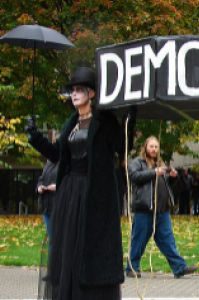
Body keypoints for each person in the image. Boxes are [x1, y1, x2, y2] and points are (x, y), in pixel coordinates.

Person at [25, 67, 135, 300]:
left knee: (91, 247)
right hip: (69, 195)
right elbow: (57, 154)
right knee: (69, 251)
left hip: (95, 193)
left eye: (79, 90)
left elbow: (121, 146)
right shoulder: (70, 124)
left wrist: (129, 120)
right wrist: (36, 137)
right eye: (72, 90)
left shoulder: (104, 122)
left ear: (92, 94)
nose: (74, 94)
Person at [126, 136, 198, 279]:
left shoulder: (160, 163)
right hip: (145, 209)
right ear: (145, 147)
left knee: (168, 241)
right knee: (138, 240)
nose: (154, 149)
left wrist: (172, 177)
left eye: (156, 147)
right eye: (151, 146)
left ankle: (179, 268)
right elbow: (134, 176)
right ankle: (132, 268)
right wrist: (154, 172)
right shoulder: (137, 163)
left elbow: (165, 183)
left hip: (162, 210)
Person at [36, 159, 58, 238]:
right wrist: (39, 187)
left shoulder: (66, 163)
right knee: (51, 237)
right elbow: (41, 179)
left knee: (57, 238)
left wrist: (57, 186)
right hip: (46, 206)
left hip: (58, 206)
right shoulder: (48, 164)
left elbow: (69, 181)